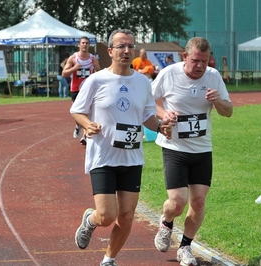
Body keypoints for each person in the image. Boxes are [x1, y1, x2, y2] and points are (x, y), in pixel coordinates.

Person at [70, 28, 172, 266]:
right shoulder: (96, 80)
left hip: (132, 158)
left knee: (126, 217)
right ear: (110, 51)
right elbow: (76, 110)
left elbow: (148, 115)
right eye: (121, 47)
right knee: (107, 216)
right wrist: (88, 124)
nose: (127, 51)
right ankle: (90, 221)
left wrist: (160, 127)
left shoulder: (142, 82)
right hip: (103, 156)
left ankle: (108, 260)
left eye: (130, 46)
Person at [152, 37, 233, 266]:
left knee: (198, 202)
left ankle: (185, 247)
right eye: (196, 60)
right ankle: (166, 222)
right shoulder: (169, 74)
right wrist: (163, 113)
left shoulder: (214, 76)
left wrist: (218, 101)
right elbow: (148, 101)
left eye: (205, 62)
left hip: (202, 148)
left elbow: (228, 111)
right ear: (185, 57)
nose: (200, 66)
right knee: (178, 202)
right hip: (174, 147)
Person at [63, 37, 101, 144]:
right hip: (75, 88)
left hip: (88, 88)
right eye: (83, 43)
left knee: (86, 111)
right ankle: (77, 125)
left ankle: (84, 136)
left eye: (87, 43)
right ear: (79, 45)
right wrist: (74, 68)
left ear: (89, 45)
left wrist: (95, 76)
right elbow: (64, 73)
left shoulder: (93, 59)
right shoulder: (73, 58)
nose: (85, 45)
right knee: (75, 111)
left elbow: (99, 72)